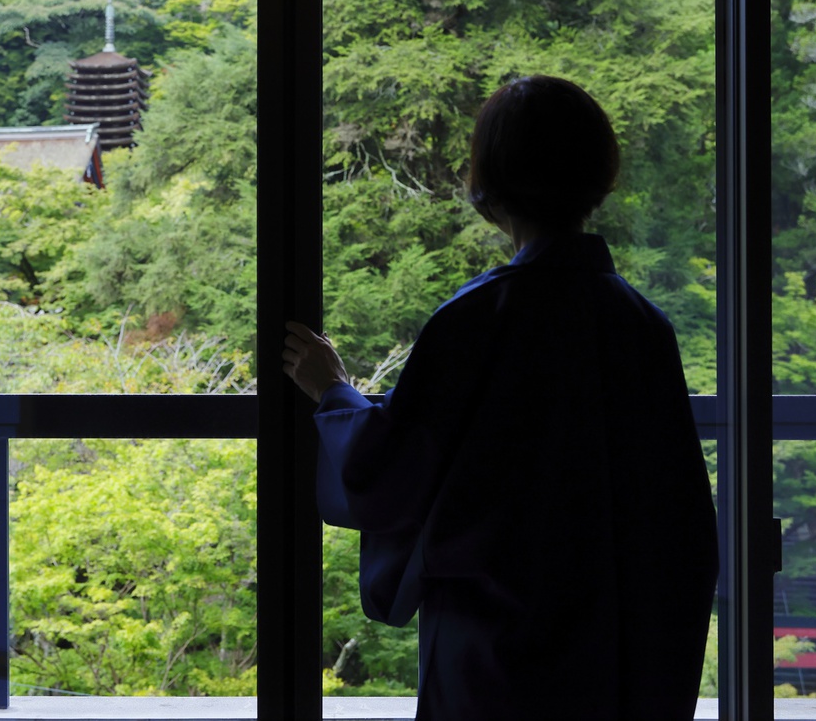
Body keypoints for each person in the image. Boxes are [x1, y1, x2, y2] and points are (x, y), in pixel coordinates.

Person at [283, 75, 718, 720]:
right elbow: (682, 523)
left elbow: (389, 475)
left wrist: (332, 391)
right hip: (619, 654)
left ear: (489, 179)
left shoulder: (475, 320)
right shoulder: (643, 326)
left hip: (492, 654)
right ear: (598, 174)